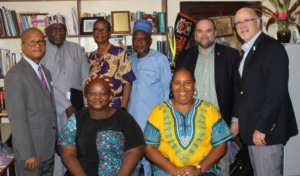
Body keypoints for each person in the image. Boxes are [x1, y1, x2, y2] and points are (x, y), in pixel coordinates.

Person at [234, 8, 298, 176]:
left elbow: (276, 92)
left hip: (265, 133)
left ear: (258, 22)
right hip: (254, 130)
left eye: (247, 20)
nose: (243, 25)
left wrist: (262, 128)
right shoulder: (248, 50)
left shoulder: (271, 48)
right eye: (238, 23)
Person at [175, 18, 240, 176]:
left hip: (220, 123)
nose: (204, 35)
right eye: (200, 31)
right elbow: (177, 88)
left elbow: (239, 90)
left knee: (222, 167)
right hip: (190, 123)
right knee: (192, 167)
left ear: (215, 33)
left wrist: (236, 121)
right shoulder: (184, 56)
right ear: (195, 35)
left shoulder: (230, 54)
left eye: (208, 30)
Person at [144, 68, 233, 176]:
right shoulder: (158, 111)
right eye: (177, 83)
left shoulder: (209, 109)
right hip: (167, 171)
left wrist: (198, 169)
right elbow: (150, 148)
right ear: (171, 85)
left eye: (187, 83)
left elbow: (221, 145)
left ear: (194, 85)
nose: (182, 87)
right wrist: (174, 170)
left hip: (203, 171)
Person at [58, 74, 145, 176]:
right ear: (86, 95)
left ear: (110, 96)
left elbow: (135, 151)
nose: (97, 97)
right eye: (92, 93)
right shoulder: (75, 120)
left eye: (103, 93)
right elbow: (68, 154)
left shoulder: (124, 118)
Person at [41, 13, 90, 176]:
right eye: (54, 29)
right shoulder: (40, 50)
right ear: (46, 31)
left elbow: (85, 77)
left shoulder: (76, 48)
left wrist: (83, 104)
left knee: (76, 145)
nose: (58, 32)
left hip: (77, 108)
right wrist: (67, 106)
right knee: (57, 146)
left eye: (62, 29)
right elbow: (45, 82)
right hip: (53, 108)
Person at [5, 28, 56, 176]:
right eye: (31, 42)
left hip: (47, 149)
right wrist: (27, 153)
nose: (37, 45)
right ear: (22, 46)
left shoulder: (45, 72)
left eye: (41, 41)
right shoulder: (15, 75)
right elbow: (17, 119)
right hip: (31, 154)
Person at [128, 19, 172, 176]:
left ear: (150, 41)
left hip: (153, 118)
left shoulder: (160, 59)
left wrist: (166, 116)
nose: (139, 42)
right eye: (135, 38)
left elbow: (168, 88)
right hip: (133, 118)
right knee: (136, 154)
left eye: (143, 38)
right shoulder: (129, 60)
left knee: (153, 154)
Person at [89, 19, 136, 108]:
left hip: (115, 107)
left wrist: (123, 108)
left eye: (104, 29)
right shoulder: (91, 57)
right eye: (96, 29)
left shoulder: (119, 52)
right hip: (96, 107)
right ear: (93, 33)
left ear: (109, 33)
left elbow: (128, 82)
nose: (100, 32)